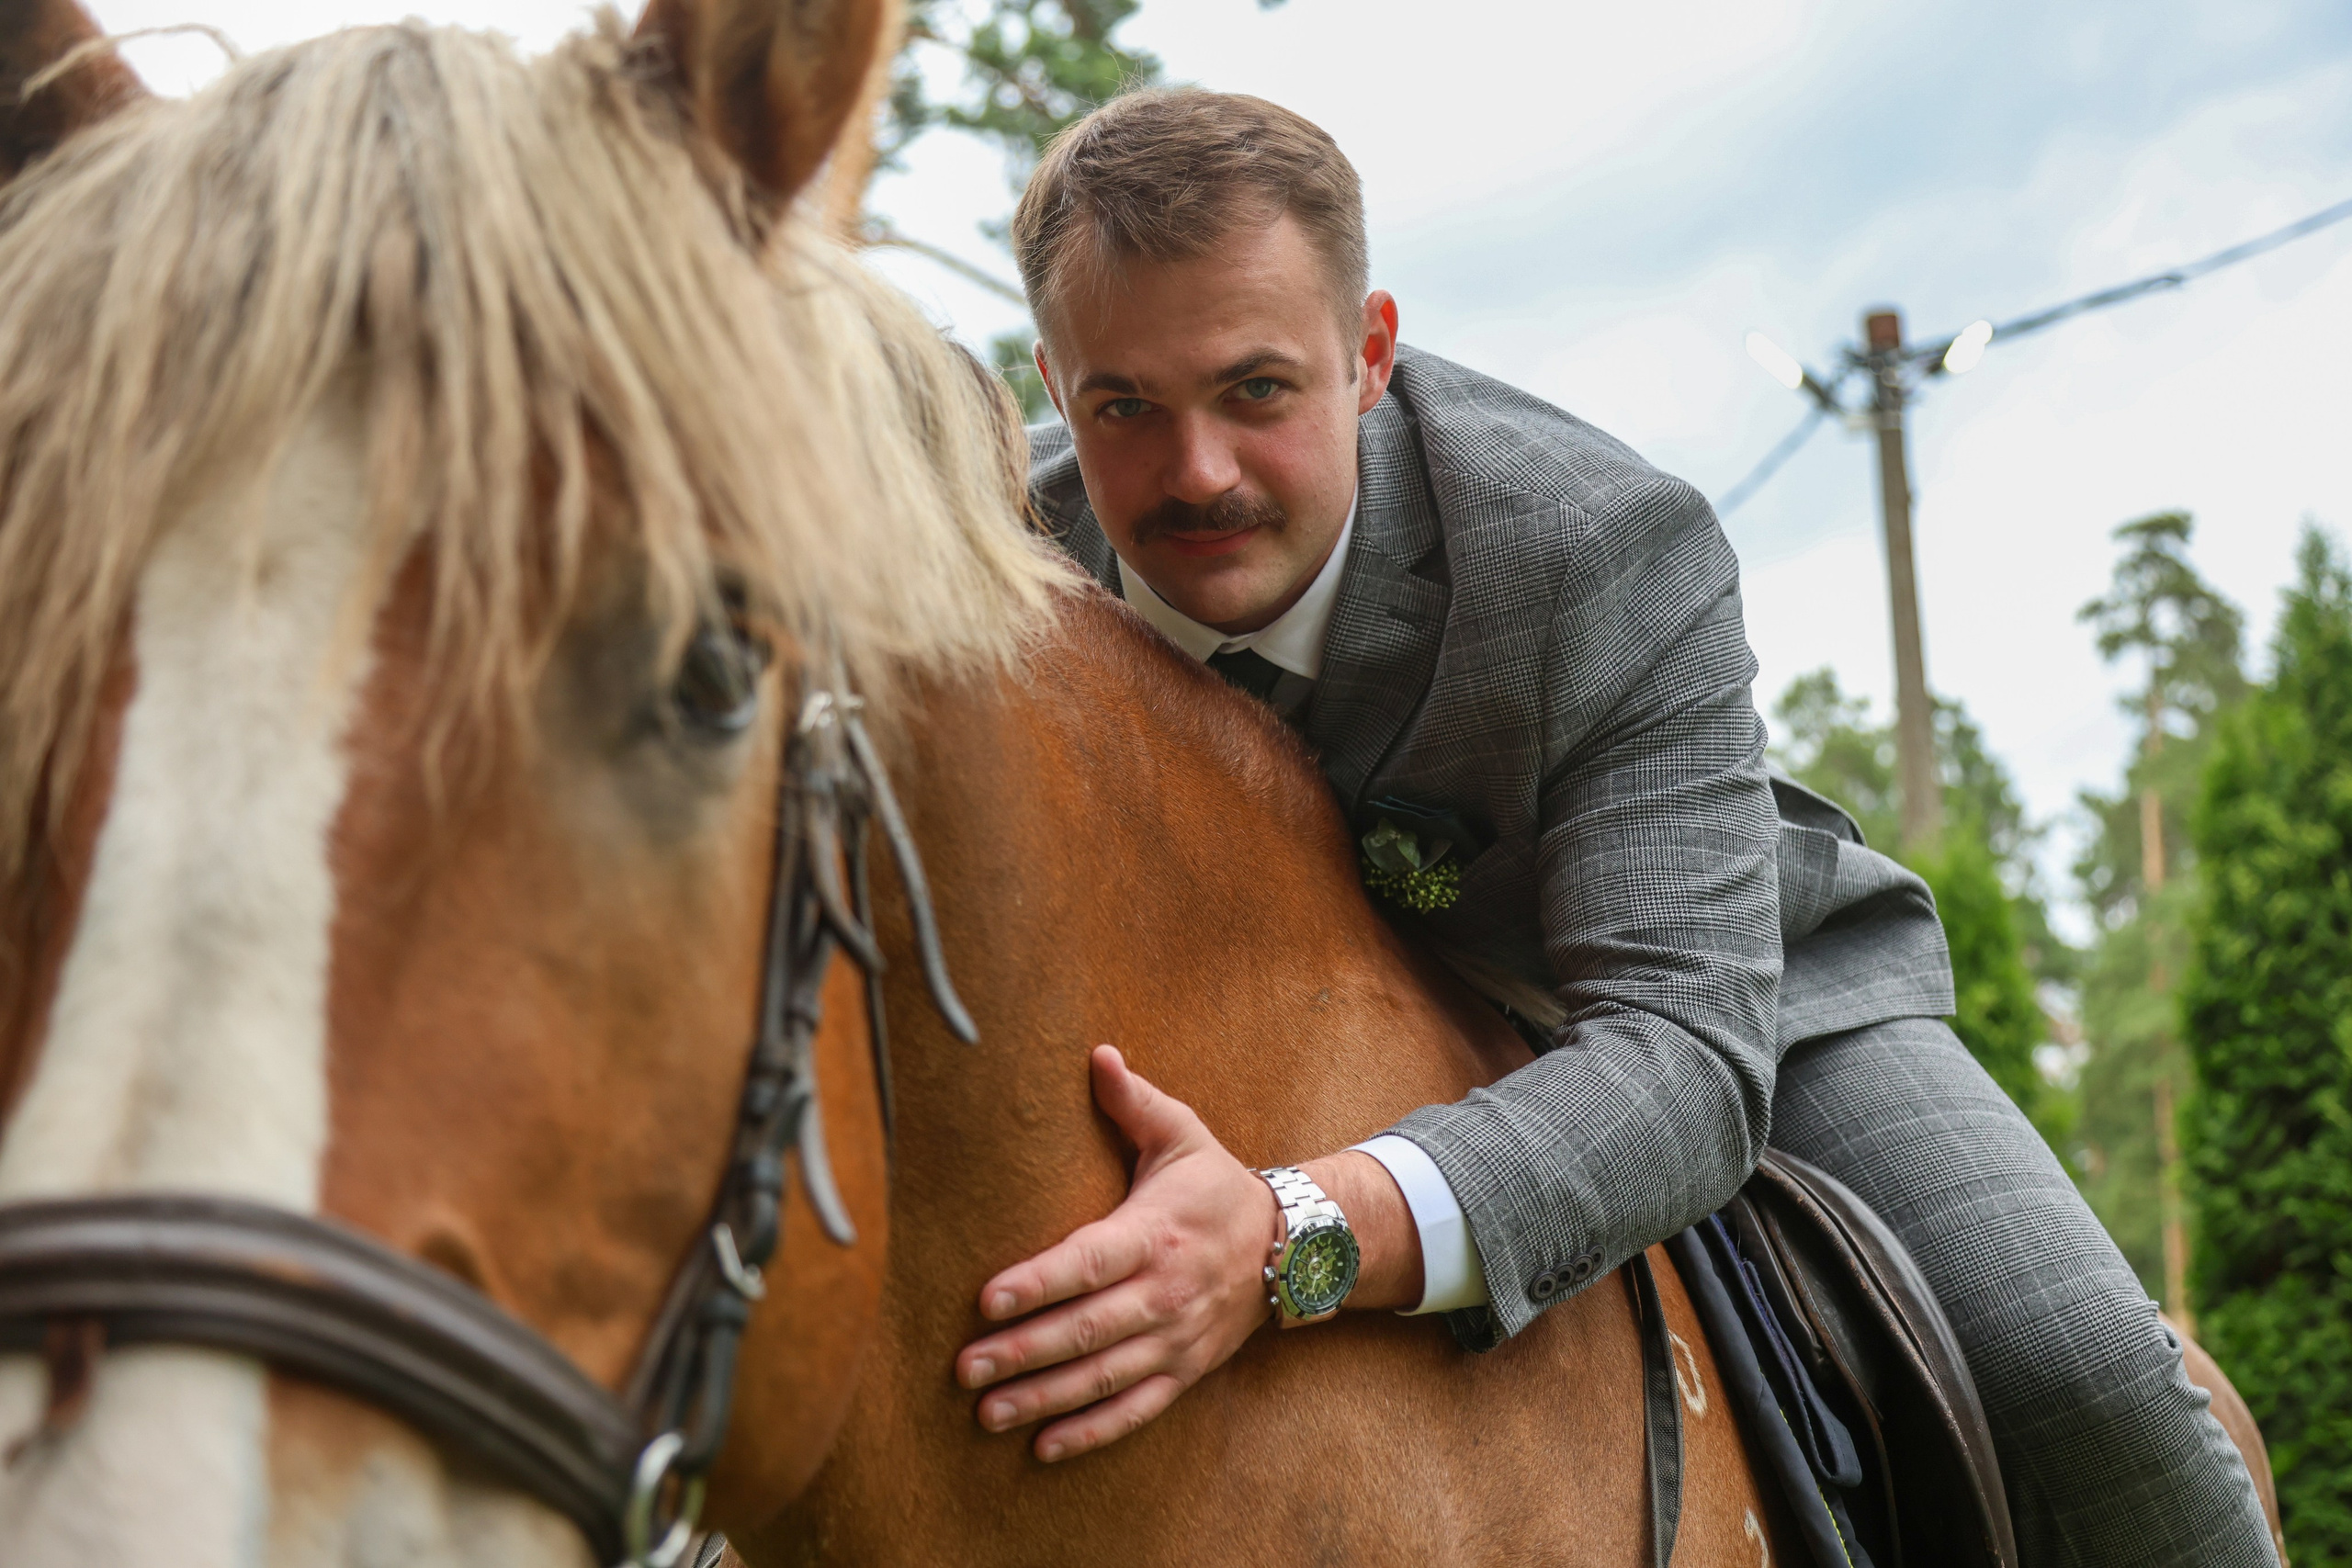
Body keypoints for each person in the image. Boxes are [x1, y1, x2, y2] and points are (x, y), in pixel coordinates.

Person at [951, 86, 2274, 1564]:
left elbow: (1681, 1057)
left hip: (1709, 999)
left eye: (1257, 390)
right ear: (1056, 390)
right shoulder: (985, 568)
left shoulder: (1595, 545)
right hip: (1247, 1015)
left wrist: (1285, 1239)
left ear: (1371, 352)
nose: (1195, 473)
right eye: (1126, 405)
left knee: (2075, 1371)